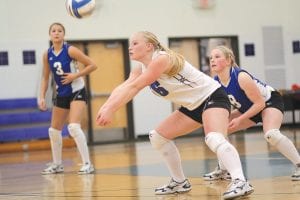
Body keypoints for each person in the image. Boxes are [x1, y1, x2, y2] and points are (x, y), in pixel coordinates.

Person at [96, 31, 254, 199]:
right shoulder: (139, 69)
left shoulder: (162, 59)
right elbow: (125, 87)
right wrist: (106, 106)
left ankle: (240, 181)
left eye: (135, 43)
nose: (130, 47)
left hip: (212, 96)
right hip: (192, 105)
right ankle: (179, 182)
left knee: (214, 138)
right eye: (130, 43)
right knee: (157, 136)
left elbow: (135, 88)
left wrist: (111, 109)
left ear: (149, 46)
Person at [204, 45, 300, 181]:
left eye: (217, 57)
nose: (212, 60)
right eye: (211, 58)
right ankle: (224, 169)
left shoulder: (241, 76)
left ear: (228, 60)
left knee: (271, 134)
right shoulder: (216, 82)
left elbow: (260, 104)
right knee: (219, 130)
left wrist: (240, 119)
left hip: (268, 102)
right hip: (249, 107)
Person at [38, 22, 97, 175]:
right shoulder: (47, 54)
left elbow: (92, 65)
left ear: (64, 34)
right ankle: (57, 164)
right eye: (53, 31)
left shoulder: (70, 50)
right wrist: (41, 96)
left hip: (77, 90)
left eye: (60, 31)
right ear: (50, 34)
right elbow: (45, 78)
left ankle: (87, 163)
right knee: (53, 130)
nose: (56, 33)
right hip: (62, 93)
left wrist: (75, 76)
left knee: (73, 127)